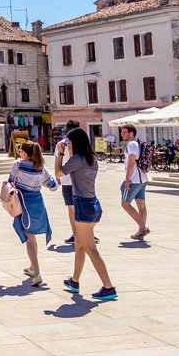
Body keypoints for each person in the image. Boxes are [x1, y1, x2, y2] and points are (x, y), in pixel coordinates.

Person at [59, 128, 117, 300]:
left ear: (75, 143)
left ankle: (108, 287)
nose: (67, 146)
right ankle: (74, 281)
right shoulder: (92, 158)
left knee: (91, 249)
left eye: (69, 143)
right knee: (79, 244)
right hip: (93, 204)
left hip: (83, 206)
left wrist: (59, 154)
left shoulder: (76, 159)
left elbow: (58, 173)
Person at [8, 140, 58, 287]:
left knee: (30, 239)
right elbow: (53, 186)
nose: (19, 153)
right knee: (33, 237)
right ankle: (31, 267)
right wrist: (38, 182)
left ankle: (37, 273)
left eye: (20, 150)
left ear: (24, 152)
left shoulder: (17, 165)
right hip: (38, 204)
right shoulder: (40, 167)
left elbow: (11, 183)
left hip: (24, 204)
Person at [119, 125, 150, 240]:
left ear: (131, 133)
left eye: (124, 132)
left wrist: (127, 179)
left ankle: (143, 228)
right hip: (142, 178)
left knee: (125, 204)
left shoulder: (131, 144)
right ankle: (140, 231)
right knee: (141, 206)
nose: (122, 134)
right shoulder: (138, 143)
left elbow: (131, 162)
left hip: (134, 179)